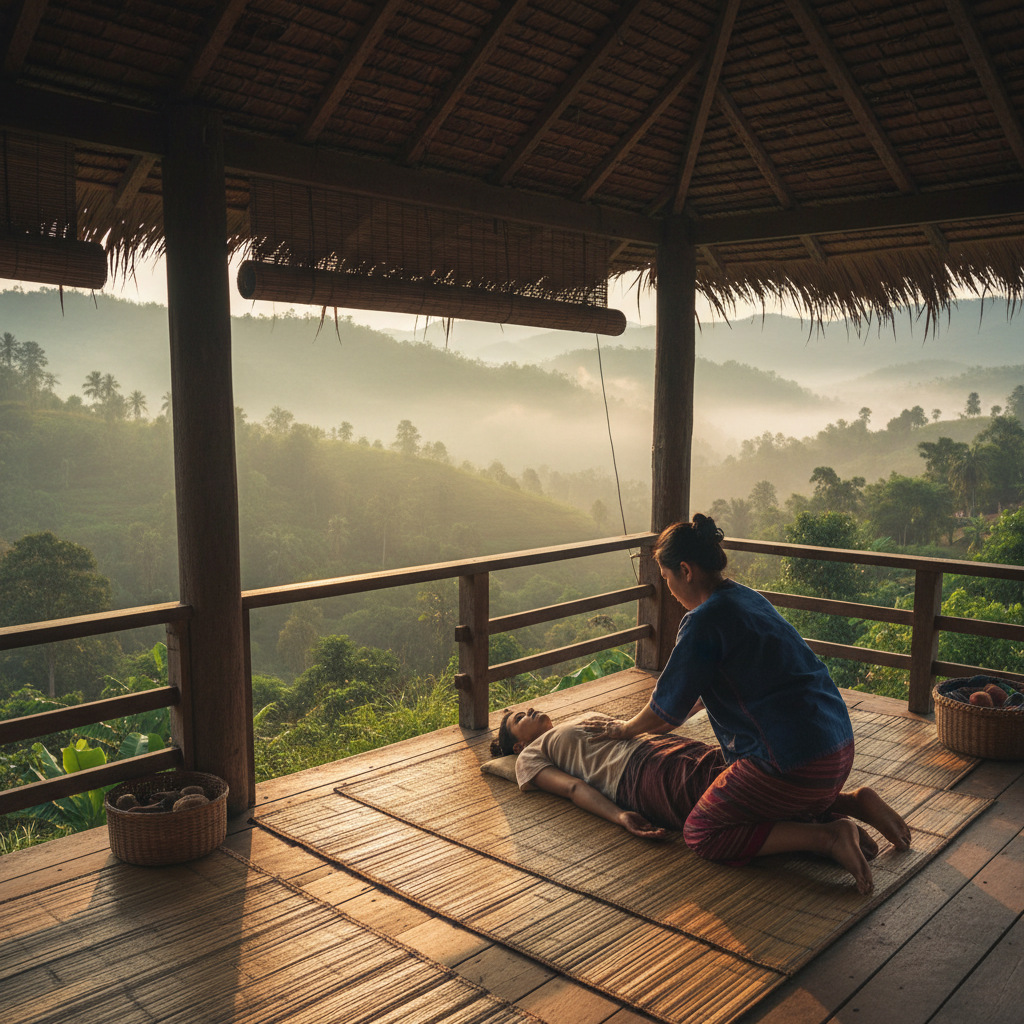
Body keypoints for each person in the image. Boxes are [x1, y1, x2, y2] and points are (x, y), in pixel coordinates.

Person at [582, 513, 911, 894]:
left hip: (793, 764)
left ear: (685, 570)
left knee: (702, 832)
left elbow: (665, 712)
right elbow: (705, 691)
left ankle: (828, 836)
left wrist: (623, 729)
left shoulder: (703, 621)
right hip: (837, 747)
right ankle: (851, 803)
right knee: (768, 801)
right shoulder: (746, 597)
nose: (668, 589)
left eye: (667, 578)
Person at [490, 705, 727, 840]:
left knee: (731, 765)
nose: (530, 709)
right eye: (519, 718)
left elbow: (644, 728)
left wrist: (694, 705)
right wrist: (620, 816)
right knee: (717, 794)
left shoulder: (571, 722)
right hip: (637, 773)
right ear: (518, 746)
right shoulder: (529, 755)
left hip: (663, 746)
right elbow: (573, 788)